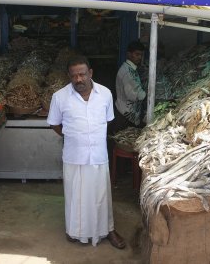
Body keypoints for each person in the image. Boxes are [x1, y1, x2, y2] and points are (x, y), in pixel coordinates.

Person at [47, 55, 126, 249]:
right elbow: (55, 124)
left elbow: (107, 120)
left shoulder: (105, 94)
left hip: (98, 155)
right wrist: (74, 136)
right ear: (69, 76)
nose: (78, 79)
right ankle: (75, 231)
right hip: (74, 156)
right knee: (76, 197)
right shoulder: (60, 97)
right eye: (74, 76)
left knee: (101, 196)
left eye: (82, 74)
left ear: (90, 73)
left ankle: (108, 229)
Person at [112, 41, 146, 133]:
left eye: (141, 55)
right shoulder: (128, 72)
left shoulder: (131, 68)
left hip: (125, 112)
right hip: (125, 115)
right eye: (137, 54)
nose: (139, 57)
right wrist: (148, 93)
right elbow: (137, 96)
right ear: (129, 54)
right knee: (122, 141)